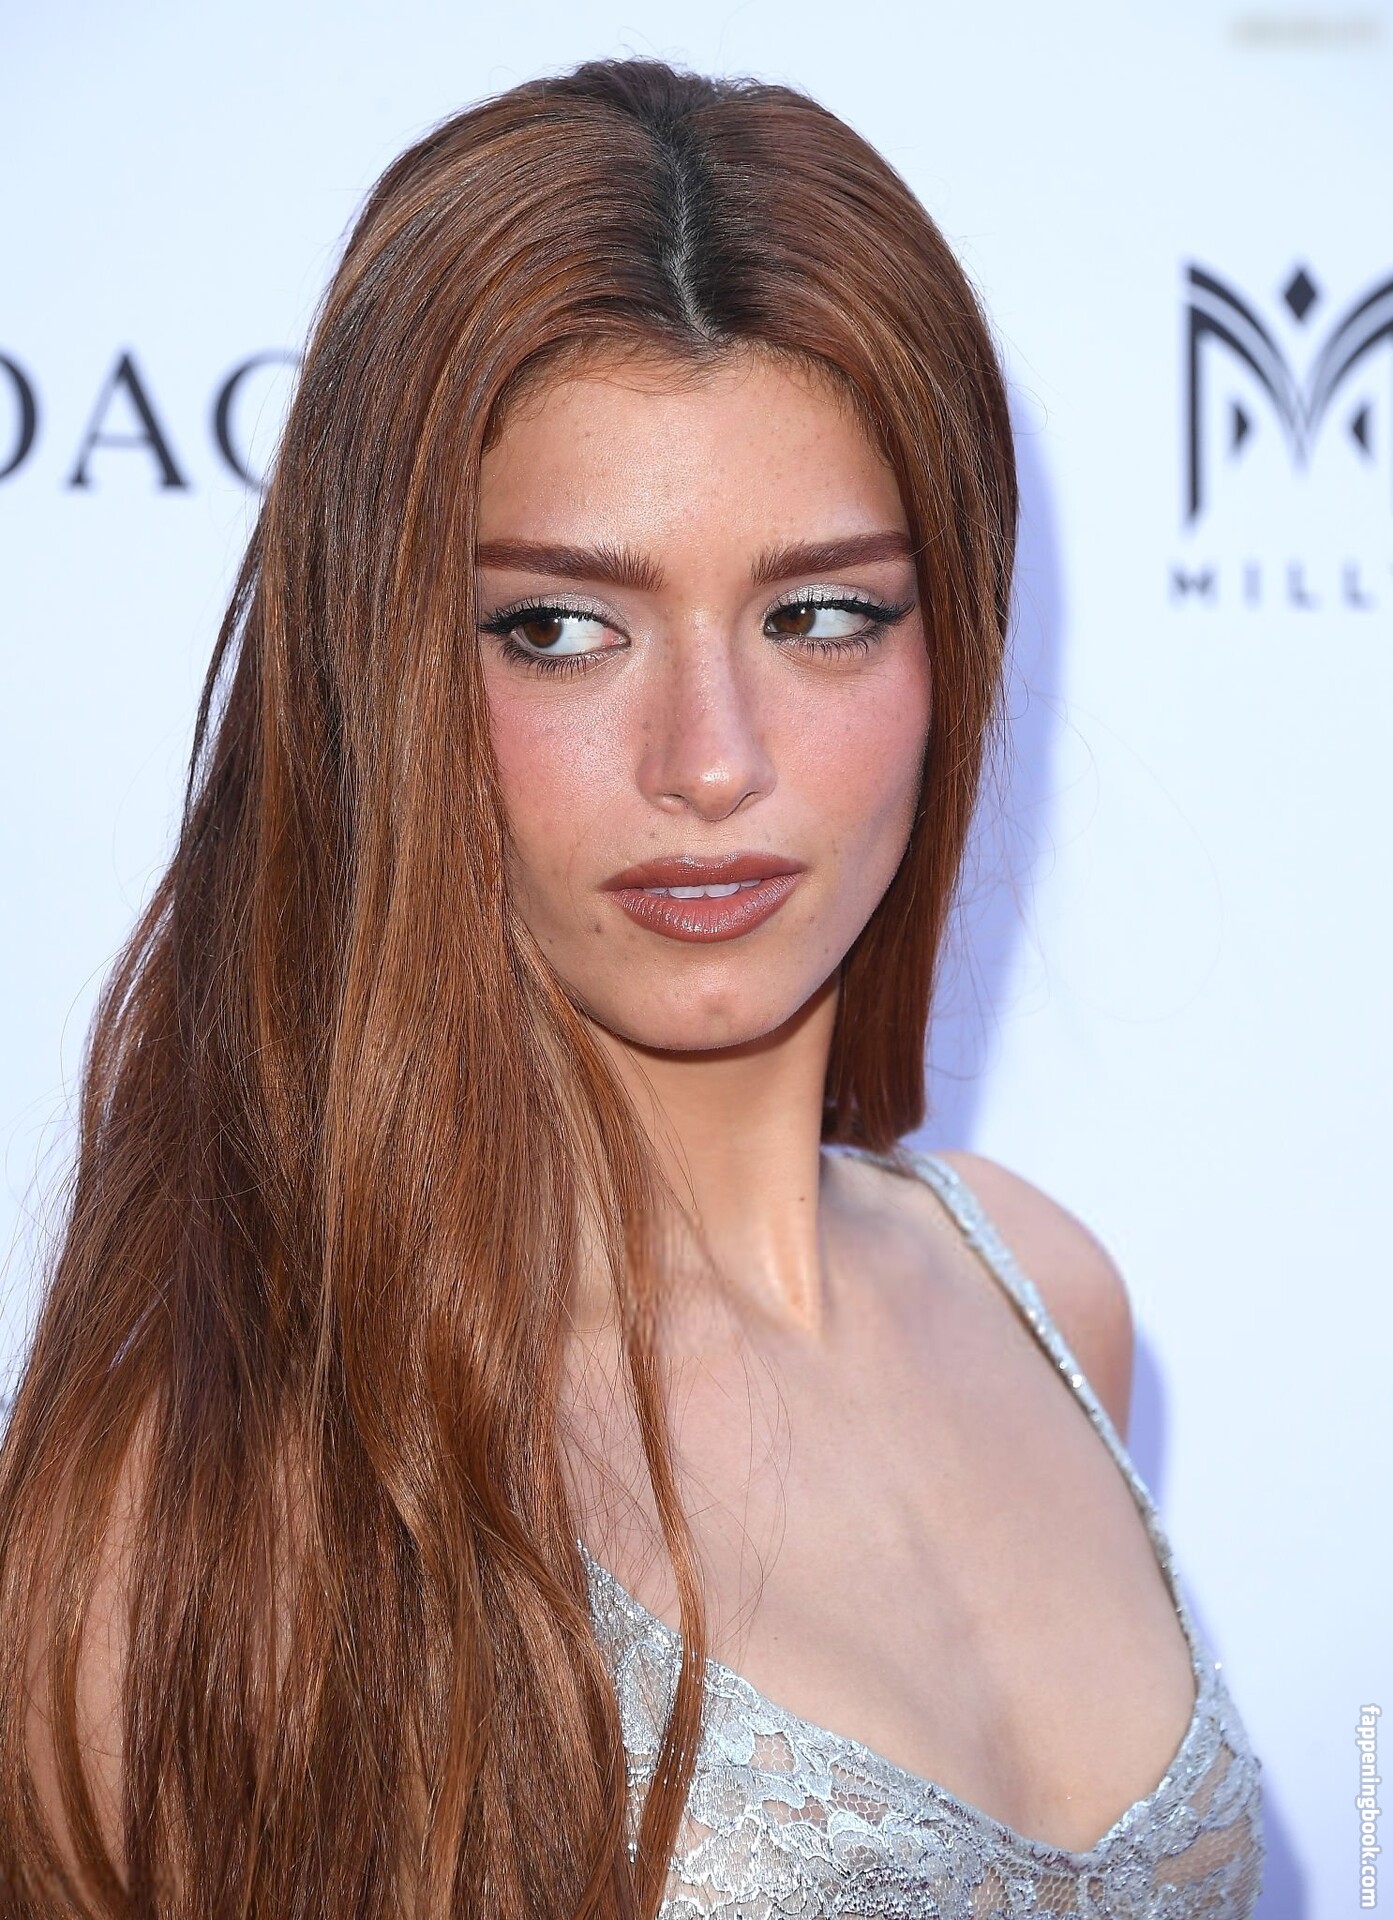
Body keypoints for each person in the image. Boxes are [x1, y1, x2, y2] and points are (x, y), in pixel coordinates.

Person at [0, 57, 1264, 1920]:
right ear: (385, 671)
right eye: (559, 628)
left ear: (954, 638)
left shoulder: (1047, 1297)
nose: (710, 759)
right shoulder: (214, 1516)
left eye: (820, 614)